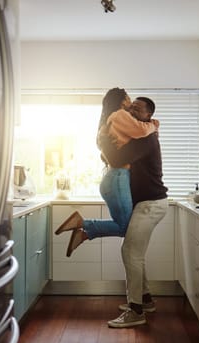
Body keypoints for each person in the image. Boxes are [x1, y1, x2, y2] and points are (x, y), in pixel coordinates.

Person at [54, 88, 159, 257]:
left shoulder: (110, 121)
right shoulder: (119, 115)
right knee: (126, 228)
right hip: (118, 178)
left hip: (114, 179)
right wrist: (153, 125)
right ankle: (82, 224)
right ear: (122, 100)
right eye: (129, 99)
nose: (131, 103)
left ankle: (85, 233)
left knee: (125, 227)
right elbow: (140, 130)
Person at [99, 97, 169, 328]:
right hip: (147, 203)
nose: (132, 109)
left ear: (148, 116)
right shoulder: (137, 136)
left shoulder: (146, 138)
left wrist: (104, 142)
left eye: (138, 108)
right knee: (135, 252)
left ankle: (136, 310)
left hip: (151, 204)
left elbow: (117, 158)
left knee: (130, 251)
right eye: (131, 106)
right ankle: (145, 300)